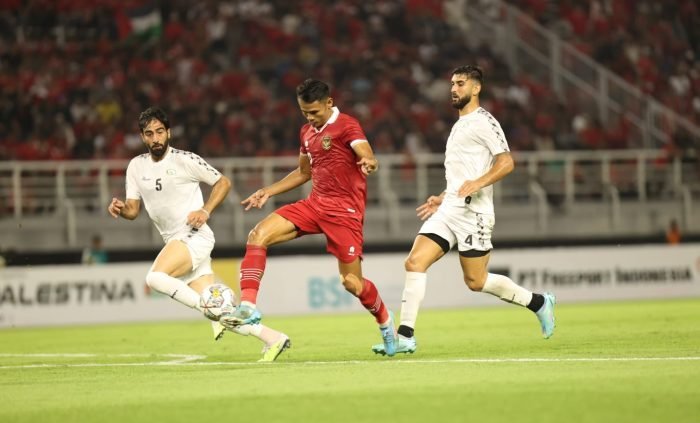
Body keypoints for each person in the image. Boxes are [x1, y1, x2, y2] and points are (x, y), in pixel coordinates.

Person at [371, 66, 556, 356]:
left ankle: (538, 302)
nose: (453, 89)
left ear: (476, 88)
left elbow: (506, 162)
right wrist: (442, 196)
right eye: (452, 84)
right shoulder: (459, 125)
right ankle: (405, 336)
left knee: (476, 282)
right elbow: (463, 174)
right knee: (414, 262)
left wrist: (478, 183)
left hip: (475, 214)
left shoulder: (484, 121)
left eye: (460, 83)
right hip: (449, 210)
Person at [221, 79, 399, 356]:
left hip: (344, 212)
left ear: (329, 103)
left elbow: (366, 153)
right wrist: (268, 190)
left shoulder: (347, 125)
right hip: (315, 205)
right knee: (258, 235)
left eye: (314, 112)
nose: (310, 118)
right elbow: (304, 172)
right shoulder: (306, 131)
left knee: (351, 283)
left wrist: (369, 162)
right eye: (304, 112)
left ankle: (387, 325)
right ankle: (248, 306)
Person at [107, 107, 290, 362]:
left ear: (168, 133)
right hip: (175, 240)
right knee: (222, 311)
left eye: (160, 132)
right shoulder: (136, 167)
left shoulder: (185, 159)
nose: (155, 138)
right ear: (142, 137)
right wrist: (120, 209)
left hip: (194, 235)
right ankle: (273, 338)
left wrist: (205, 210)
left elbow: (223, 182)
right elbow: (133, 210)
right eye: (149, 134)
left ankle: (208, 310)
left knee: (155, 278)